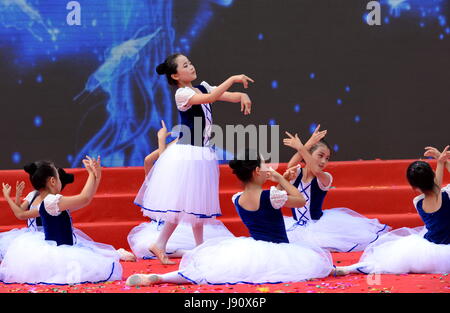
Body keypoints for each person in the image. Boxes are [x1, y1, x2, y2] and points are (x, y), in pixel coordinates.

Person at [126, 150, 333, 286]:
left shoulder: (237, 198)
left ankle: (161, 277)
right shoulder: (271, 195)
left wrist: (282, 181)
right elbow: (300, 200)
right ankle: (160, 278)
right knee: (310, 266)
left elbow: (270, 201)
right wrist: (280, 178)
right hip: (278, 250)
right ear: (255, 172)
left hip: (253, 248)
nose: (269, 169)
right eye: (265, 166)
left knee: (212, 270)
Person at [134, 53, 254, 264]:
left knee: (197, 204)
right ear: (175, 75)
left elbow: (225, 95)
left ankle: (195, 247)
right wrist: (233, 78)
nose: (191, 67)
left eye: (190, 63)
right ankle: (167, 244)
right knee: (184, 203)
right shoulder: (182, 94)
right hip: (188, 153)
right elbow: (211, 98)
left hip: (202, 152)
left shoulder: (203, 87)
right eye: (185, 65)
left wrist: (241, 96)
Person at [0, 157, 124, 284]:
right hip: (62, 250)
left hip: (63, 246)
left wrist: (96, 176)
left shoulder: (49, 202)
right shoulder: (52, 201)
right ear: (53, 181)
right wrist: (91, 174)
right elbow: (85, 198)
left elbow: (87, 199)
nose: (61, 180)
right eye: (59, 177)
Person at [334, 145, 450, 275]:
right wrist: (444, 162)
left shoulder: (418, 202)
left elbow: (435, 188)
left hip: (426, 254)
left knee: (387, 260)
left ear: (414, 187)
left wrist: (441, 162)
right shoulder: (447, 194)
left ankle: (351, 268)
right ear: (433, 174)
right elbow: (437, 189)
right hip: (446, 255)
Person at [128, 120, 233, 260]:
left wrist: (151, 181)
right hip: (178, 191)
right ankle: (189, 248)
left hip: (184, 193)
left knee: (194, 209)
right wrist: (154, 180)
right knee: (184, 210)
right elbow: (159, 160)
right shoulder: (184, 142)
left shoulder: (191, 142)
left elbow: (149, 160)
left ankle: (195, 247)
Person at [281, 127, 390, 252]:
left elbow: (316, 170)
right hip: (295, 226)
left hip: (318, 226)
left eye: (327, 158)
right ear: (308, 155)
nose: (323, 161)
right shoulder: (297, 172)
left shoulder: (326, 178)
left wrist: (301, 147)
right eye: (320, 156)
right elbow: (290, 165)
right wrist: (309, 143)